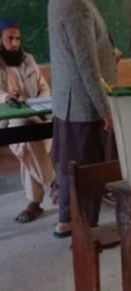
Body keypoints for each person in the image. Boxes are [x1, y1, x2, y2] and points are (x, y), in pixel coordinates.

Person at [48, 0, 118, 238]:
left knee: (70, 167)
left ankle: (67, 221)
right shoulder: (75, 3)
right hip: (83, 106)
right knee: (87, 172)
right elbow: (87, 63)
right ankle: (85, 234)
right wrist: (105, 109)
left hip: (70, 101)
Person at [0, 19, 57, 223]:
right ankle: (53, 184)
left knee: (28, 140)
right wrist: (6, 97)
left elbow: (43, 88)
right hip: (8, 121)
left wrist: (39, 102)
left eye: (17, 38)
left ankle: (34, 203)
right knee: (25, 130)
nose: (14, 43)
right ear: (0, 39)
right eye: (10, 39)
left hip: (35, 115)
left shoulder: (29, 60)